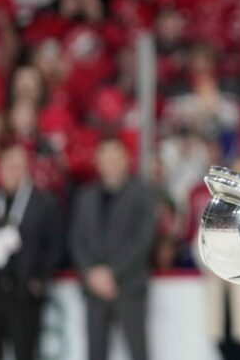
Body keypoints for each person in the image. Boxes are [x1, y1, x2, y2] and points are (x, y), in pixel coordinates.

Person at [0, 144, 61, 360]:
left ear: (26, 169)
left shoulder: (43, 203)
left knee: (24, 352)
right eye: (7, 166)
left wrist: (38, 279)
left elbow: (54, 245)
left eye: (17, 167)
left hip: (23, 294)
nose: (11, 172)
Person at [70, 137, 157, 360]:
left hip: (129, 286)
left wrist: (112, 272)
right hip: (94, 289)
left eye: (115, 157)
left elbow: (142, 239)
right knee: (95, 352)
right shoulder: (86, 196)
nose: (110, 163)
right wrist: (91, 273)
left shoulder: (142, 194)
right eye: (105, 158)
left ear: (125, 160)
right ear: (97, 162)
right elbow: (77, 239)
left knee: (138, 351)